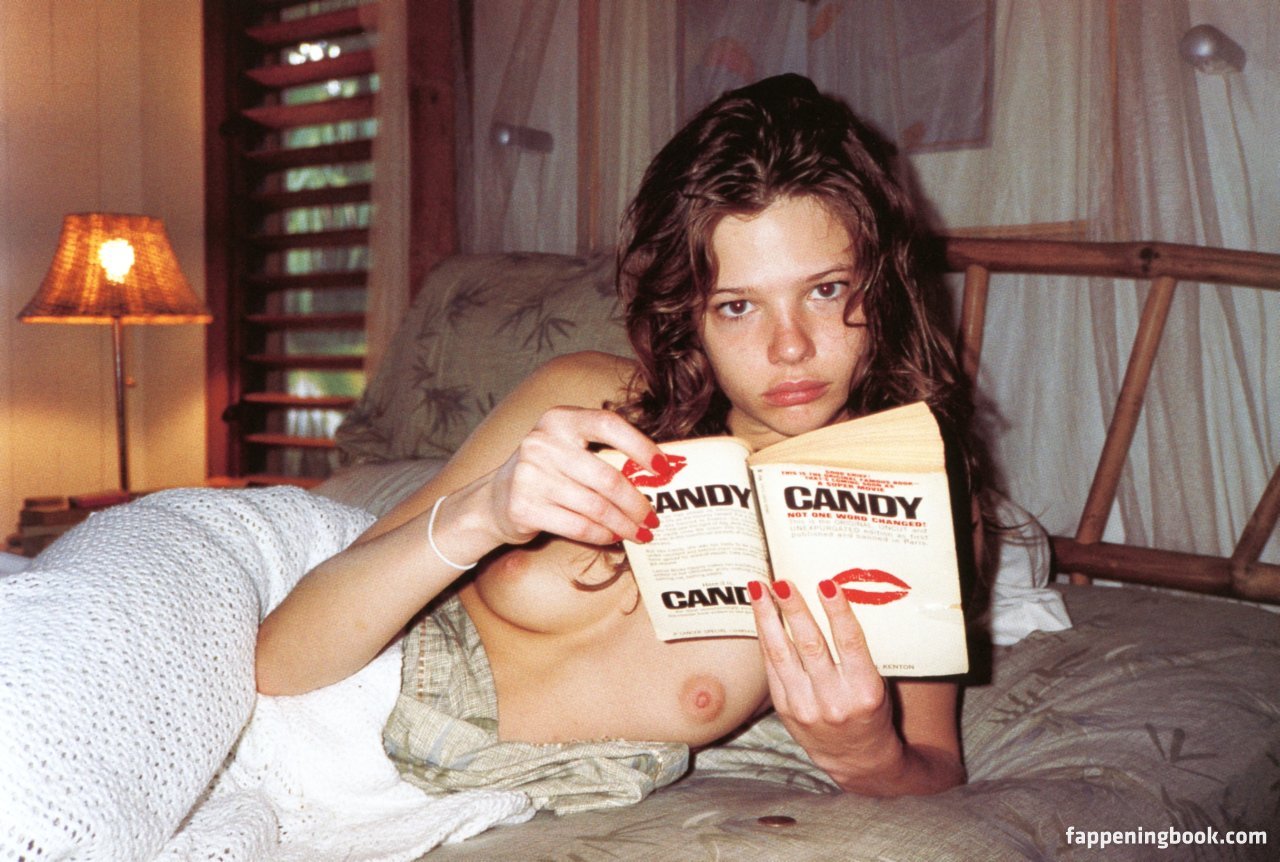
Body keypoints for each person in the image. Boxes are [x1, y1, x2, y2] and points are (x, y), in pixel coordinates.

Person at [256, 73, 979, 799]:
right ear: (687, 312)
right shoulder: (585, 399)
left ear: (881, 283)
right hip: (338, 705)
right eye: (736, 306)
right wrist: (483, 515)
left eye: (825, 290)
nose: (790, 347)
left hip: (472, 801)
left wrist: (864, 756)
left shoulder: (914, 498)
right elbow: (280, 658)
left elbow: (935, 769)